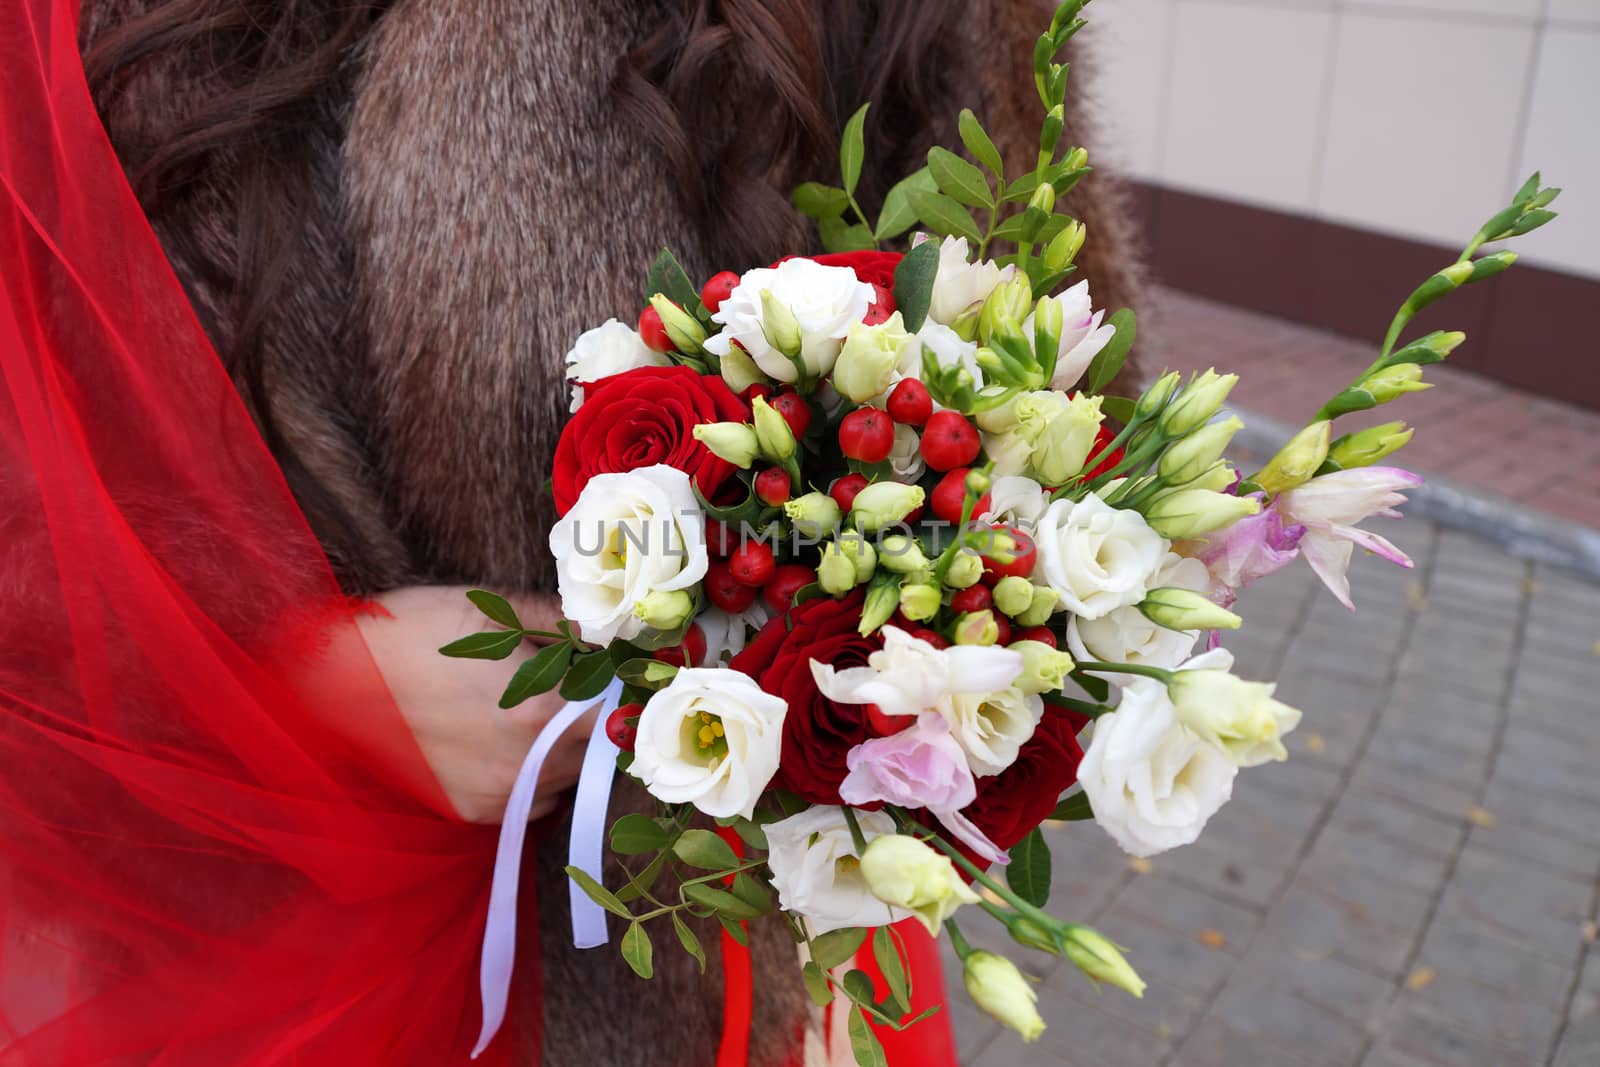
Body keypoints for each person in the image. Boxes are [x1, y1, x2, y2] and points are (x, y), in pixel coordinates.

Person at [0, 1, 1141, 1063]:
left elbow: (1061, 426)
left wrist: (831, 644)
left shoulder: (918, 17)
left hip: (713, 956)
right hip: (236, 929)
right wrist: (291, 672)